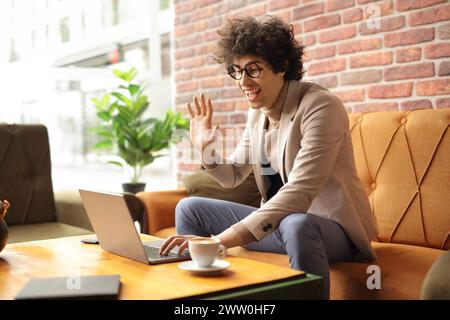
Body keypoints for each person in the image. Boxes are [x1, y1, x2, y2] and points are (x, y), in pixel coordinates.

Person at [160, 16, 378, 299]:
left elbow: (300, 192)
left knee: (297, 222)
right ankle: (200, 299)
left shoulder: (321, 107)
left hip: (332, 231)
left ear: (282, 66)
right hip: (277, 224)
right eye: (237, 71)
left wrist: (220, 240)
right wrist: (205, 150)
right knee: (189, 208)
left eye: (253, 69)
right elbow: (235, 174)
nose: (243, 81)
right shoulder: (258, 113)